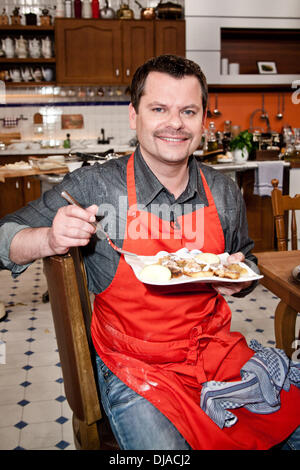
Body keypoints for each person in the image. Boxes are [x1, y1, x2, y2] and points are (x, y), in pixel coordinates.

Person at [0, 55, 299, 450]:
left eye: (188, 111)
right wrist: (49, 240)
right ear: (133, 115)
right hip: (133, 367)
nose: (175, 123)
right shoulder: (97, 187)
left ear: (203, 120)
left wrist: (238, 277)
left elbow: (245, 260)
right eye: (159, 108)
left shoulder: (224, 191)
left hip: (215, 352)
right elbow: (5, 236)